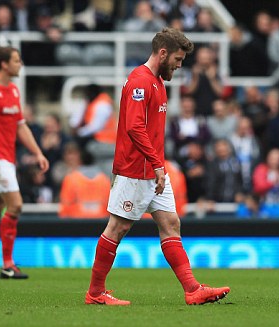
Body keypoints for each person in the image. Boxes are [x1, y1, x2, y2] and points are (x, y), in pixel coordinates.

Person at [85, 28, 230, 306]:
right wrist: (157, 165)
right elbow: (134, 127)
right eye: (177, 58)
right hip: (135, 170)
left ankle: (192, 289)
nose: (180, 64)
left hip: (152, 171)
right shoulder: (140, 82)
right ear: (162, 53)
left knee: (170, 222)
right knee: (117, 228)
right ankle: (95, 292)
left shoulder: (157, 82)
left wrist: (157, 167)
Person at [0, 46, 49, 280]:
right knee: (15, 205)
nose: (20, 64)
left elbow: (20, 125)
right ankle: (7, 264)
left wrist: (37, 153)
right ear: (4, 64)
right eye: (16, 60)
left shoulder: (13, 91)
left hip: (7, 158)